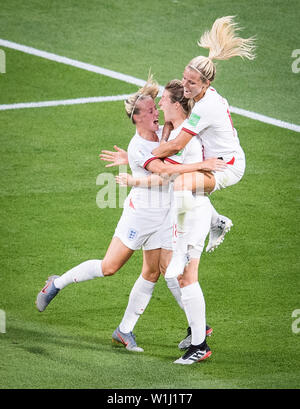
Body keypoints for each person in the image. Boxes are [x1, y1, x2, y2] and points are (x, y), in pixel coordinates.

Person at [35, 76, 217, 354]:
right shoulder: (139, 147)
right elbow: (163, 174)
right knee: (110, 267)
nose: (157, 111)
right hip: (140, 216)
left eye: (157, 108)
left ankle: (130, 330)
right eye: (151, 110)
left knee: (160, 271)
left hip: (166, 215)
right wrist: (202, 165)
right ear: (137, 118)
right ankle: (56, 283)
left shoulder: (163, 131)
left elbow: (173, 138)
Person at [102, 79, 227, 364]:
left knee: (179, 275)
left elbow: (165, 171)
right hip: (179, 211)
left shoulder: (182, 138)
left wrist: (135, 171)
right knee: (166, 271)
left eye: (162, 102)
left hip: (186, 213)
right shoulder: (176, 132)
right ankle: (195, 334)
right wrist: (134, 156)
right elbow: (161, 157)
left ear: (175, 105)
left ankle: (199, 343)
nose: (159, 106)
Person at [151, 16, 256, 281]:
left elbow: (176, 146)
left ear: (205, 84)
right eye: (185, 79)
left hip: (227, 167)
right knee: (177, 178)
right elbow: (173, 125)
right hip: (217, 155)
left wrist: (150, 154)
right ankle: (216, 221)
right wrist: (163, 137)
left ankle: (180, 252)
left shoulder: (206, 106)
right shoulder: (199, 96)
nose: (184, 86)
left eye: (191, 83)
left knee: (181, 185)